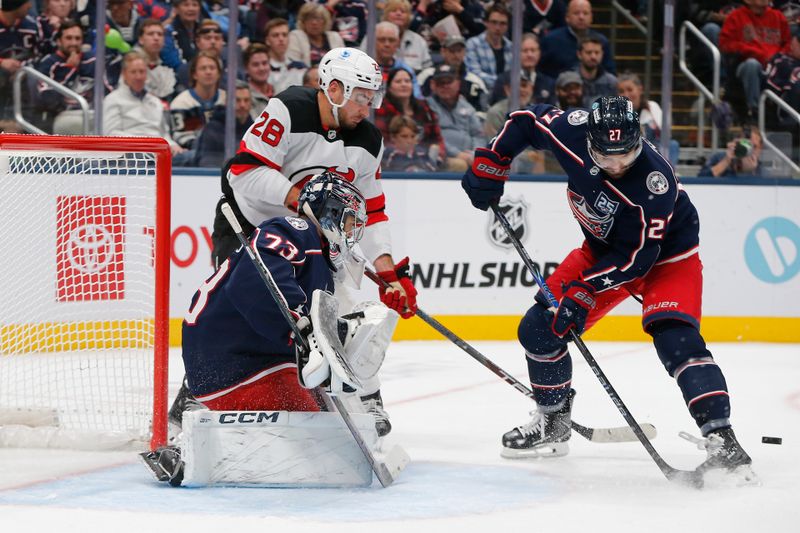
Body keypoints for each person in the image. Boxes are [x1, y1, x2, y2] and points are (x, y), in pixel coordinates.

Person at [461, 95, 756, 483]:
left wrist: (584, 290)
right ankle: (553, 422)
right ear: (590, 142)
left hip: (667, 257)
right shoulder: (572, 129)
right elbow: (525, 122)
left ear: (639, 139)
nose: (617, 165)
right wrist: (494, 160)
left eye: (627, 154)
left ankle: (724, 442)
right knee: (538, 329)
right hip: (602, 252)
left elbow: (637, 261)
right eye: (606, 156)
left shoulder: (655, 182)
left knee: (676, 339)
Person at [168, 47, 418, 438]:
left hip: (313, 240)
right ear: (334, 88)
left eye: (372, 98)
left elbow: (374, 210)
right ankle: (197, 390)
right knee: (234, 309)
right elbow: (245, 172)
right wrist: (299, 199)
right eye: (360, 96)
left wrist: (389, 273)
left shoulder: (368, 140)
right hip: (248, 226)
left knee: (344, 313)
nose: (367, 107)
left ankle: (365, 396)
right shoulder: (288, 109)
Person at [144, 172, 377, 486]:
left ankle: (207, 440)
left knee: (325, 424)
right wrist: (301, 324)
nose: (354, 231)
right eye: (351, 221)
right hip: (231, 359)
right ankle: (191, 452)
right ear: (332, 213)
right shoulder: (297, 230)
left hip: (255, 355)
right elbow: (254, 281)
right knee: (317, 439)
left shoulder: (320, 263)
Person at [36, 20, 112, 135]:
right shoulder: (48, 63)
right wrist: (70, 68)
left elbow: (107, 90)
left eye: (77, 38)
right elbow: (49, 100)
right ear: (58, 41)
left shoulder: (93, 61)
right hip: (63, 116)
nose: (74, 43)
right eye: (69, 38)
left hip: (93, 113)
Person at [719, 0, 790, 121]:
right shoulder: (735, 17)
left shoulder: (778, 17)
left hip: (774, 66)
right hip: (744, 66)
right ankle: (755, 113)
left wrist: (778, 57)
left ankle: (787, 119)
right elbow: (725, 44)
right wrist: (751, 51)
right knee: (752, 65)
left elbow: (788, 44)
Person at [103, 51, 184, 156]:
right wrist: (146, 143)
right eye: (133, 72)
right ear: (124, 74)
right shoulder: (112, 100)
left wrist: (173, 145)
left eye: (142, 72)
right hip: (129, 156)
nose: (138, 77)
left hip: (159, 154)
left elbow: (164, 135)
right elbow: (110, 136)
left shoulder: (155, 101)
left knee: (191, 157)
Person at [374, 67, 445, 167]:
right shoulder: (382, 109)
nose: (403, 84)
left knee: (458, 165)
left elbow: (437, 138)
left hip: (426, 160)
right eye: (398, 81)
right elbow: (381, 141)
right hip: (392, 162)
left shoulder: (424, 107)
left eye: (407, 81)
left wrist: (438, 156)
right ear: (389, 87)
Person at [426, 63, 486, 171]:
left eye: (449, 81)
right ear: (433, 85)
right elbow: (433, 138)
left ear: (458, 83)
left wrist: (475, 154)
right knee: (460, 165)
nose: (445, 86)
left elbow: (478, 135)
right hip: (443, 157)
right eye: (441, 83)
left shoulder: (467, 107)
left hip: (470, 157)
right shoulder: (427, 107)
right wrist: (458, 154)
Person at [538, 0, 615, 78]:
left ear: (591, 17)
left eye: (585, 13)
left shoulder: (601, 41)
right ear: (567, 17)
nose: (581, 17)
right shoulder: (551, 40)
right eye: (576, 13)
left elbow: (610, 72)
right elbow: (540, 72)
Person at [418, 34, 488, 115]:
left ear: (464, 52)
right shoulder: (427, 75)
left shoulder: (475, 81)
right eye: (452, 51)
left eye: (459, 51)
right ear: (442, 52)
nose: (456, 55)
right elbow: (417, 101)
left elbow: (484, 110)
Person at [169, 51, 226, 150]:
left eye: (212, 68)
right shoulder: (182, 103)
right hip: (194, 153)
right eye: (203, 68)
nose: (208, 72)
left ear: (219, 74)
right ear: (194, 74)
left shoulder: (227, 99)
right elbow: (180, 136)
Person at [193, 80, 254, 167]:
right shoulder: (212, 130)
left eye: (246, 100)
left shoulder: (255, 131)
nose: (242, 105)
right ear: (227, 103)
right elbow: (207, 164)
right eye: (237, 100)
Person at [464, 2, 513, 91]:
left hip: (507, 94)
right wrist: (502, 83)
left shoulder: (512, 47)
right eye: (494, 22)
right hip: (482, 92)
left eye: (502, 23)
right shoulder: (473, 44)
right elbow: (474, 74)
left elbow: (515, 76)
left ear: (507, 26)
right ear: (486, 23)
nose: (497, 28)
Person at [132, 18, 177, 101]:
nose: (156, 38)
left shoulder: (166, 67)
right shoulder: (129, 63)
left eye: (160, 34)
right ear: (141, 40)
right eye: (150, 34)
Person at [287, 3, 345, 67]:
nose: (314, 22)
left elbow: (343, 63)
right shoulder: (296, 36)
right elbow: (294, 64)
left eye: (318, 18)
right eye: (309, 18)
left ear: (325, 21)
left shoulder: (335, 37)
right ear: (303, 21)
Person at [382, 0, 432, 73]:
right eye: (393, 10)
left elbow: (428, 71)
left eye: (403, 11)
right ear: (386, 15)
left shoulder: (418, 40)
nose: (398, 13)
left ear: (409, 17)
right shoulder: (373, 37)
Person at [698, 129, 764, 177]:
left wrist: (751, 171)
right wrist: (726, 162)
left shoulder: (762, 170)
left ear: (760, 149)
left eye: (754, 147)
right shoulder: (719, 158)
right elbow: (700, 179)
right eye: (745, 145)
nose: (749, 150)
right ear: (738, 143)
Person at [264, 18, 306, 94]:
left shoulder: (300, 67)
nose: (281, 39)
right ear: (267, 40)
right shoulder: (262, 69)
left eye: (284, 35)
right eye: (275, 35)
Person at [576, 34, 618, 107]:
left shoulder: (611, 82)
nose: (593, 56)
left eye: (597, 52)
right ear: (579, 54)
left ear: (602, 54)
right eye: (589, 52)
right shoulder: (570, 80)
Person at [242, 42, 273, 118]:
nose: (261, 68)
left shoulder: (280, 91)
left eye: (265, 63)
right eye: (256, 65)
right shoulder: (243, 97)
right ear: (246, 68)